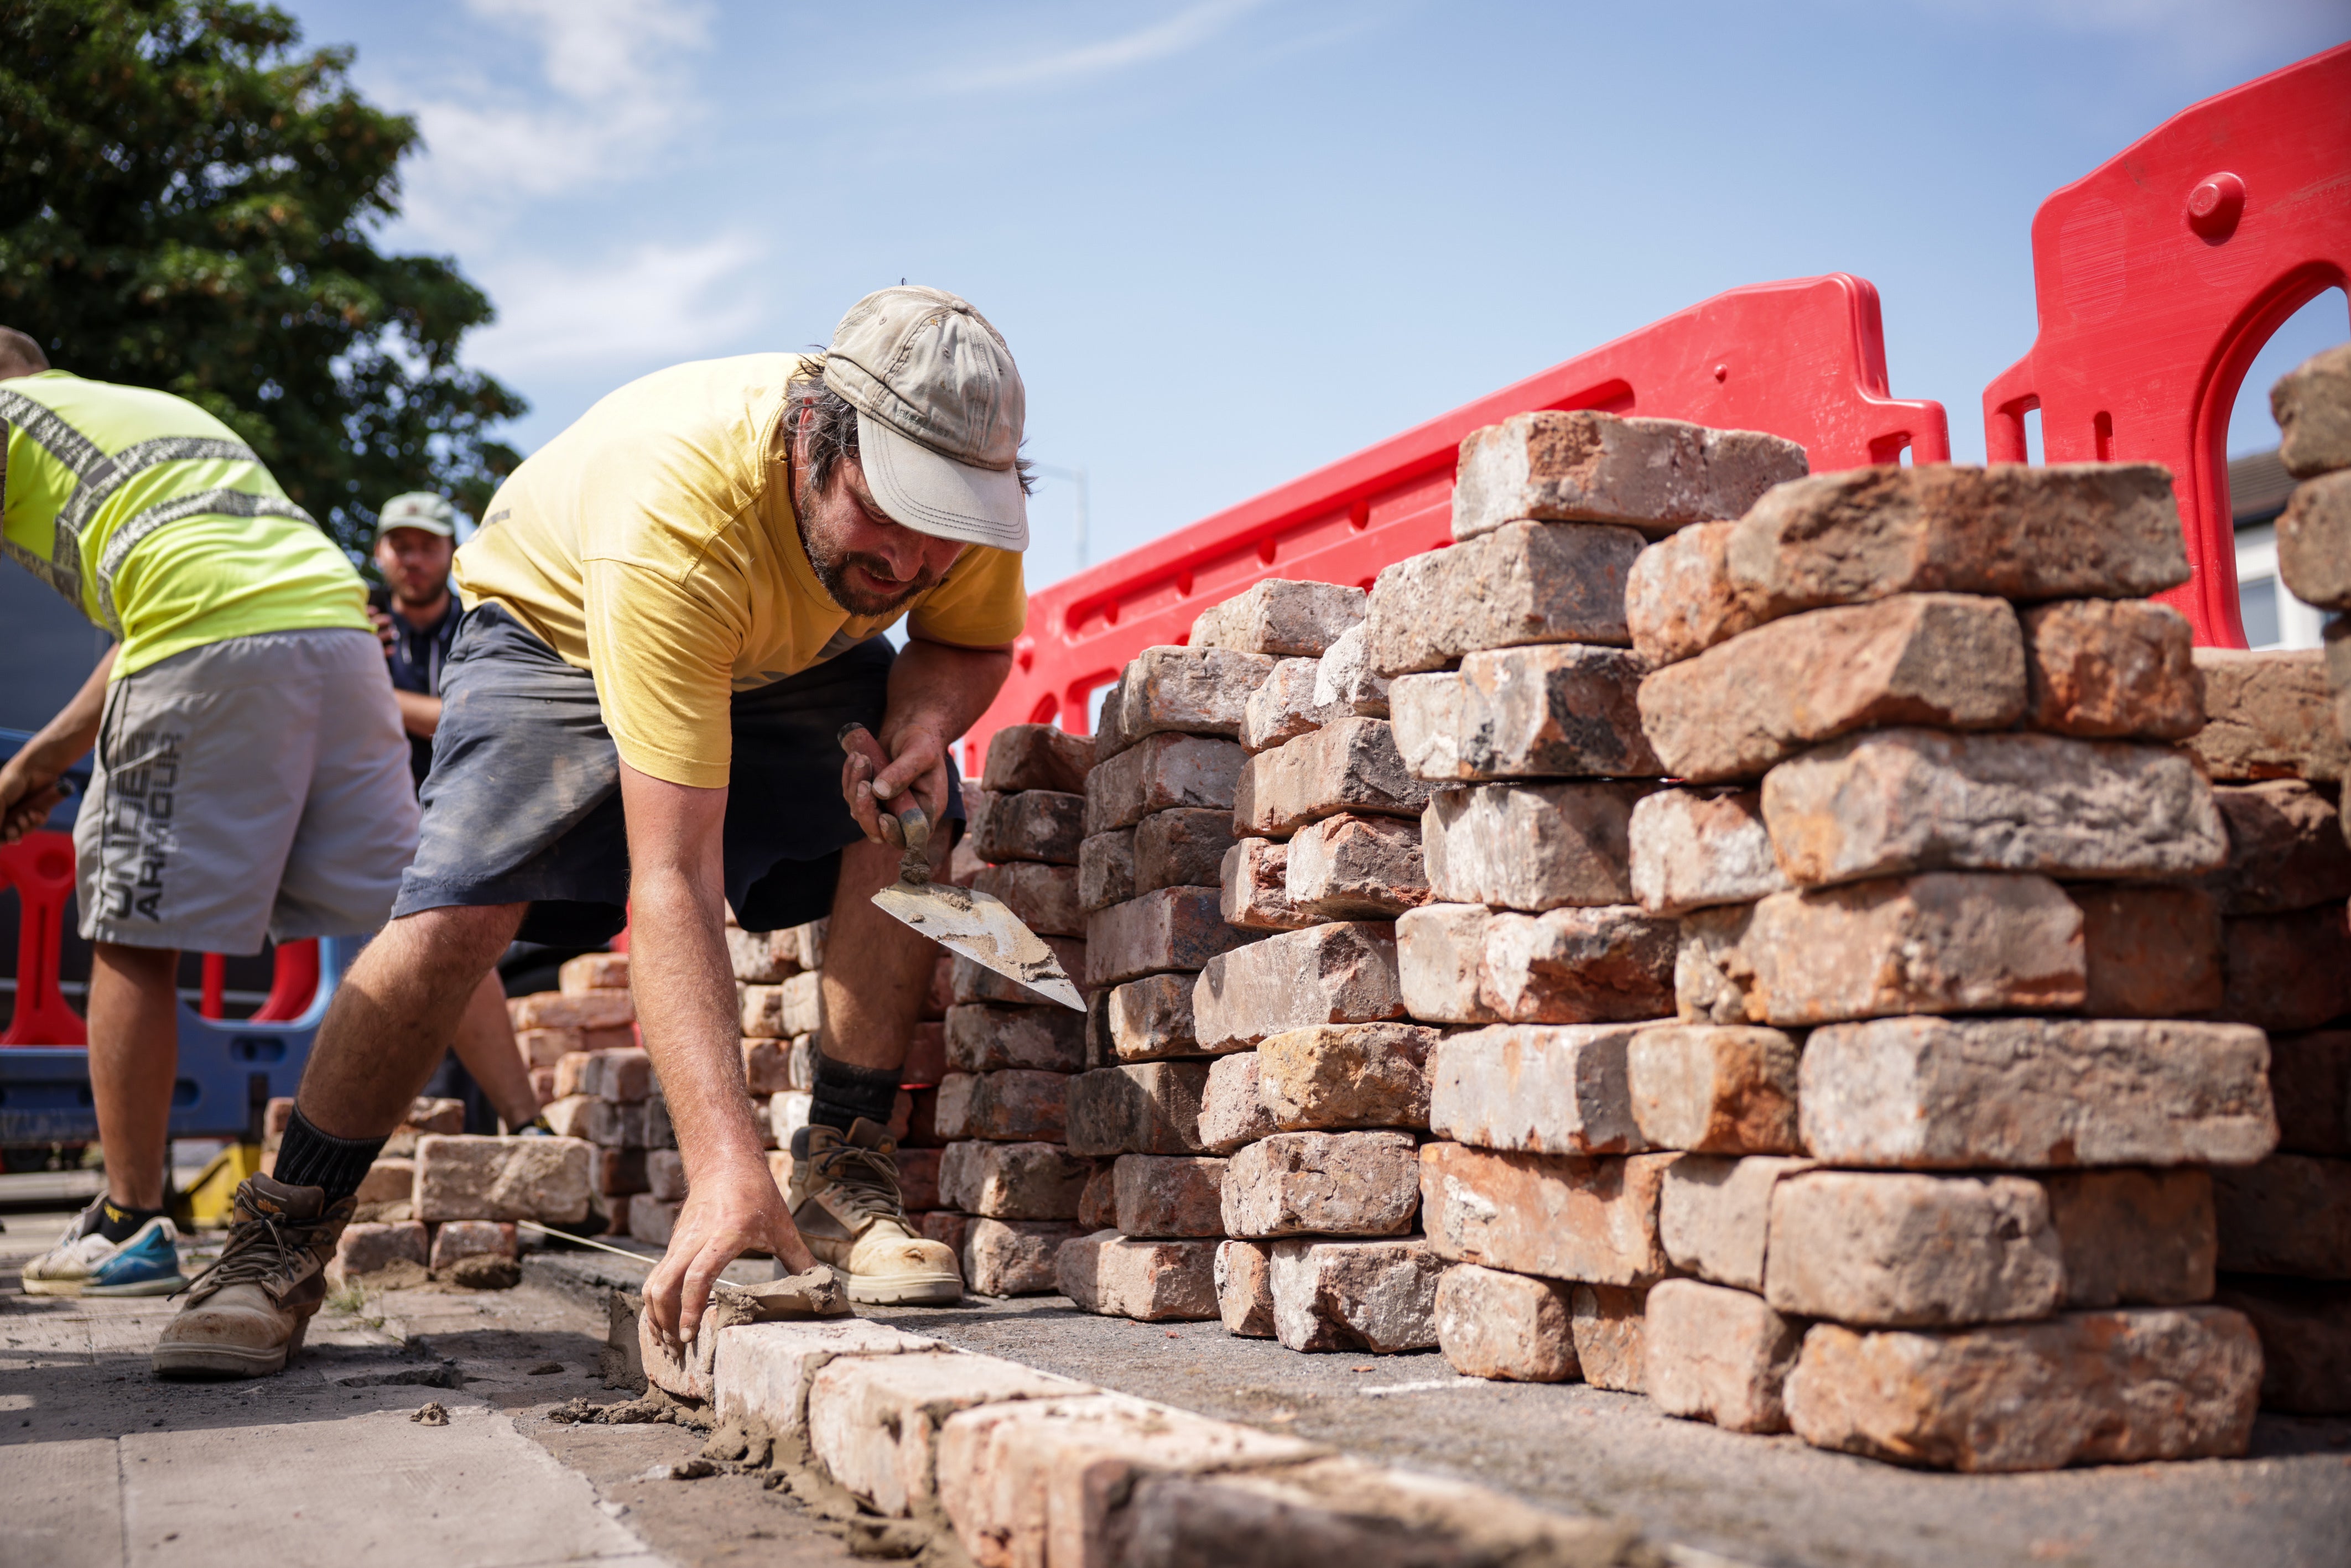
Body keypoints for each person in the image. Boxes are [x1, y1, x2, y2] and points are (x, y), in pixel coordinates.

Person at [149, 286, 1030, 1379]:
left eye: (936, 542)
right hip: (552, 631)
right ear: (814, 433)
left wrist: (915, 727)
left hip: (771, 650)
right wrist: (719, 1169)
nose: (906, 566)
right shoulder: (678, 509)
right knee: (462, 908)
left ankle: (846, 1175)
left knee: (912, 818)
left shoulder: (954, 510)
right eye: (880, 521)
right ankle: (275, 1237)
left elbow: (964, 642)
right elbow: (670, 873)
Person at [0, 327, 418, 1300]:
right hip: (338, 634)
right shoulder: (155, 413)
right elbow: (192, 583)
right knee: (417, 915)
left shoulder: (11, 417)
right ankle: (518, 1142)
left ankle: (131, 1220)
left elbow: (188, 602)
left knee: (131, 928)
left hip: (210, 636)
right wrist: (43, 758)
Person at [365, 493, 545, 1133]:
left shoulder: (480, 625)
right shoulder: (359, 628)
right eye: (400, 545)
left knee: (461, 965)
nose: (412, 559)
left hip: (470, 823)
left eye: (426, 546)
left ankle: (499, 1130)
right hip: (387, 831)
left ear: (450, 552)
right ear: (380, 552)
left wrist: (375, 694)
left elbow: (469, 719)